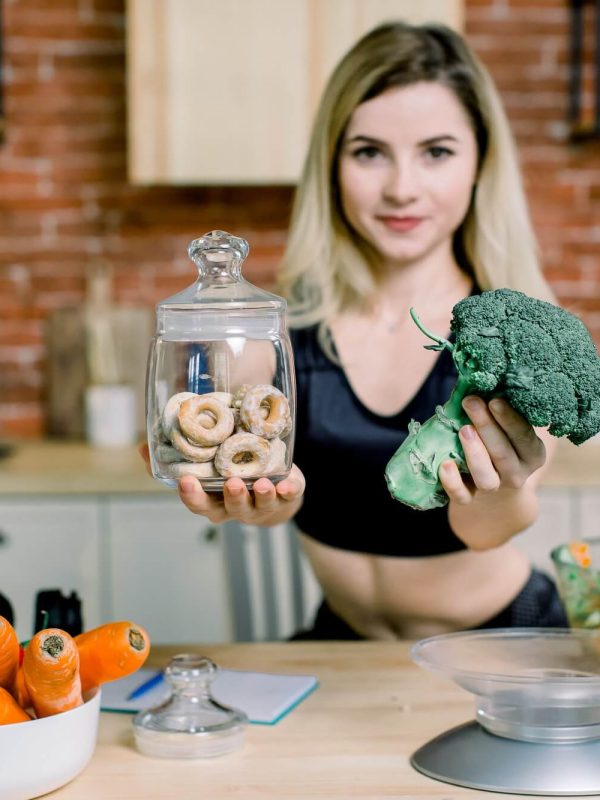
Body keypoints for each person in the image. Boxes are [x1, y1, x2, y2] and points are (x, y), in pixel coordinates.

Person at [155, 20, 568, 638]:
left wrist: (504, 496)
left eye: (437, 152)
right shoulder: (280, 331)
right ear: (333, 165)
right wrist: (268, 503)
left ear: (480, 162)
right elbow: (267, 500)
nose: (402, 189)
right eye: (369, 152)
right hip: (343, 643)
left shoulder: (517, 333)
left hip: (499, 636)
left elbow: (489, 531)